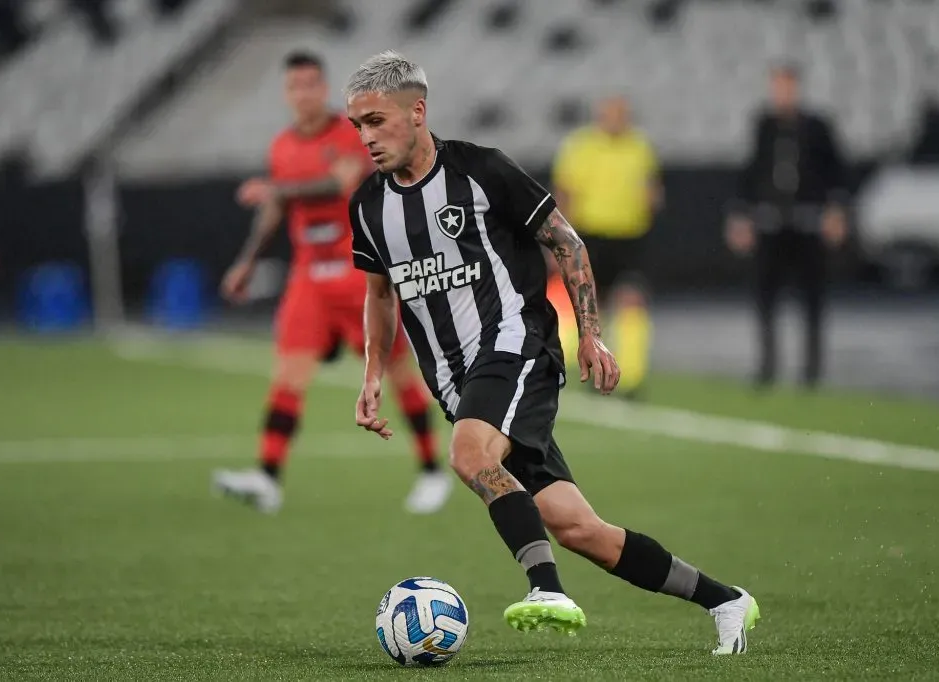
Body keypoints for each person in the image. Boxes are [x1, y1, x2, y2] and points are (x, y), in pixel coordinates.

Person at [345, 50, 760, 655]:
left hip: (516, 348)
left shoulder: (482, 172)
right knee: (577, 527)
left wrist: (589, 332)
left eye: (376, 121)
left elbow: (564, 238)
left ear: (417, 111)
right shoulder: (368, 205)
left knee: (467, 453)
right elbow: (380, 294)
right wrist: (372, 374)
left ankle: (546, 590)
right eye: (357, 125)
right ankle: (726, 601)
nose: (366, 137)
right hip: (457, 382)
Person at [212, 51, 452, 515]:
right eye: (294, 87)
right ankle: (267, 478)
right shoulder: (282, 146)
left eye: (310, 85)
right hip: (309, 279)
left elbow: (341, 182)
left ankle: (431, 471)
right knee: (288, 378)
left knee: (399, 374)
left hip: (359, 272)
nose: (302, 95)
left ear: (323, 89)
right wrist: (246, 261)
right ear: (287, 93)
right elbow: (276, 210)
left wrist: (275, 189)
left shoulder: (350, 133)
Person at [726, 62, 848, 389]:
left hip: (808, 223)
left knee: (812, 299)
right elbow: (750, 173)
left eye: (787, 86)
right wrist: (741, 216)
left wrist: (835, 211)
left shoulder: (817, 127)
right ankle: (767, 368)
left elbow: (836, 171)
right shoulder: (764, 125)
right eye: (777, 86)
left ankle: (811, 372)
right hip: (770, 223)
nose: (782, 93)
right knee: (766, 298)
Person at [552, 95, 662, 398]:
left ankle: (629, 378)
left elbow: (652, 189)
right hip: (590, 237)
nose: (615, 119)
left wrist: (650, 202)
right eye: (609, 113)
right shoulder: (579, 147)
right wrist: (562, 241)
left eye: (621, 113)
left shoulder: (640, 147)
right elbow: (565, 194)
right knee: (589, 306)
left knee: (632, 302)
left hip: (629, 238)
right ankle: (589, 369)